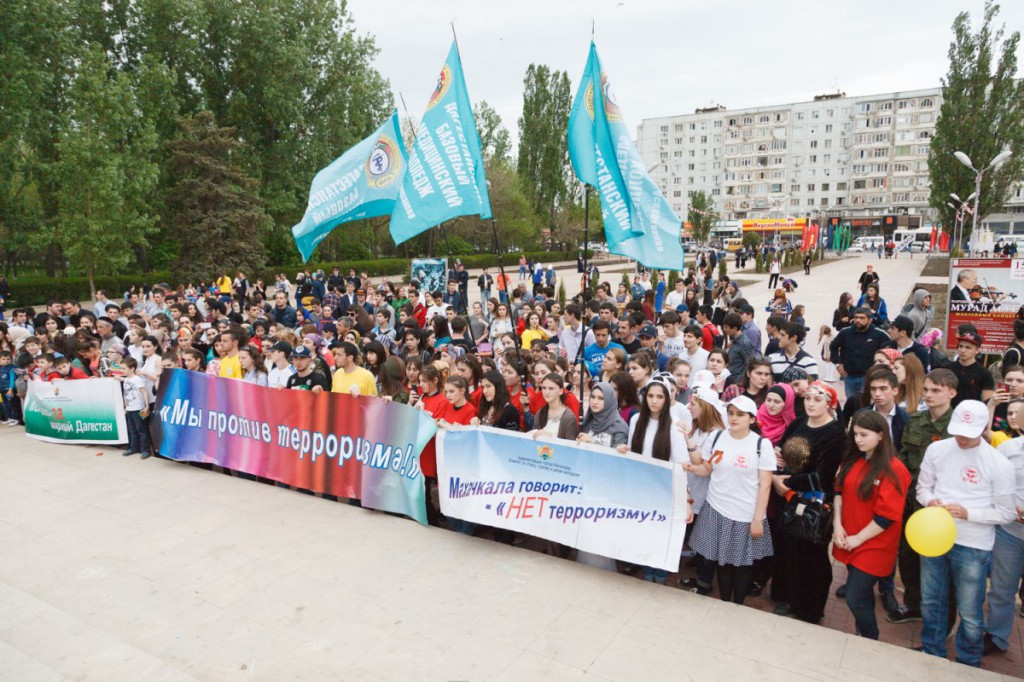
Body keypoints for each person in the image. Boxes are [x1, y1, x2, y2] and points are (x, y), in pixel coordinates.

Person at [916, 400, 1015, 667]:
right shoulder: (937, 449)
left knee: (970, 611)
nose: (961, 437)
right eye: (958, 430)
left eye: (969, 433)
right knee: (931, 601)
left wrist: (968, 513)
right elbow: (922, 489)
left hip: (973, 545)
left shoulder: (998, 463)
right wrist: (930, 501)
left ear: (984, 428)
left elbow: (1006, 513)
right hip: (933, 537)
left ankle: (968, 660)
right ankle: (931, 650)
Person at [685, 395, 774, 604]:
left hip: (745, 514)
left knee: (742, 565)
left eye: (740, 415)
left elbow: (765, 485)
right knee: (722, 563)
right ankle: (725, 602)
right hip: (716, 508)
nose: (734, 418)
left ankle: (737, 605)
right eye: (731, 413)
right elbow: (707, 468)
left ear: (752, 419)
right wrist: (689, 467)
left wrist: (758, 519)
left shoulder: (762, 445)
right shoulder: (719, 437)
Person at [832, 410, 911, 640]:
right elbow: (838, 492)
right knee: (862, 595)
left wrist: (858, 538)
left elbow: (887, 516)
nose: (858, 439)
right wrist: (837, 525)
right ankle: (863, 633)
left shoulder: (894, 469)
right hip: (848, 537)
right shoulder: (852, 458)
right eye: (855, 434)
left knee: (854, 597)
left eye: (864, 434)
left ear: (881, 435)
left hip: (874, 544)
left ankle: (870, 637)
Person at [771, 381, 846, 623]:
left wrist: (786, 482)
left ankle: (809, 608)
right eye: (808, 398)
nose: (811, 403)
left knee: (811, 556)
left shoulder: (835, 434)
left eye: (818, 399)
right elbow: (782, 448)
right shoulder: (798, 422)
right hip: (787, 496)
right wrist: (777, 464)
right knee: (787, 549)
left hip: (813, 503)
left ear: (829, 404)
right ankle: (785, 598)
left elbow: (822, 476)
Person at [889, 368, 958, 624]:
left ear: (951, 393)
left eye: (935, 391)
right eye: (926, 389)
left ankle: (942, 619)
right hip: (912, 498)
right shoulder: (915, 419)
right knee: (907, 556)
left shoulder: (957, 426)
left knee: (939, 564)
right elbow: (905, 455)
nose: (928, 395)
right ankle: (913, 605)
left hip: (942, 506)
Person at [618, 378, 689, 583]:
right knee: (644, 531)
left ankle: (661, 573)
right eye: (650, 396)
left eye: (660, 396)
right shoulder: (636, 420)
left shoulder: (675, 425)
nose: (654, 401)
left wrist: (684, 496)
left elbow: (681, 463)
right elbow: (634, 451)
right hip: (640, 487)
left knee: (661, 534)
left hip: (665, 489)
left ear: (667, 399)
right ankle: (648, 570)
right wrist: (624, 450)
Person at [983, 433, 1024, 656]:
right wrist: (1008, 506)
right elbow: (990, 481)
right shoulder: (1008, 449)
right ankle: (996, 636)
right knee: (1001, 588)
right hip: (1010, 532)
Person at [829, 307, 890, 402]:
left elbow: (890, 350)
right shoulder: (845, 332)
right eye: (856, 317)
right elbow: (833, 346)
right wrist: (837, 364)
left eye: (862, 318)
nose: (858, 320)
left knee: (865, 403)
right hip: (849, 376)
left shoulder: (879, 334)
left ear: (870, 320)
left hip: (868, 377)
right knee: (852, 403)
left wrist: (881, 368)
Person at [949, 330, 994, 407]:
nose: (962, 350)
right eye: (961, 346)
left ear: (977, 350)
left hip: (971, 415)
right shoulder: (947, 369)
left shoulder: (985, 374)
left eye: (968, 347)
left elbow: (988, 402)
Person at [119, 357, 151, 458]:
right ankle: (134, 448)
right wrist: (125, 406)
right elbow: (126, 394)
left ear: (132, 368)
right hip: (129, 408)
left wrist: (146, 406)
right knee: (132, 429)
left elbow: (144, 392)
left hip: (138, 408)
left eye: (124, 368)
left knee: (142, 430)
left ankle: (145, 450)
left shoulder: (137, 379)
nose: (122, 370)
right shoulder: (127, 379)